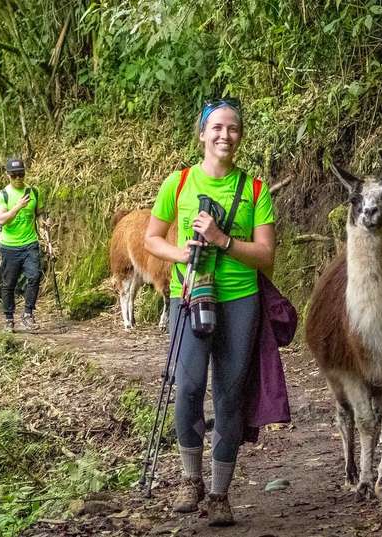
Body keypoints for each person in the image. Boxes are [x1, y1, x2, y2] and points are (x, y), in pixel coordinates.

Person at [144, 98, 275, 526]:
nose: (225, 135)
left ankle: (220, 493)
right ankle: (190, 480)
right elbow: (151, 240)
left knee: (230, 391)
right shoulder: (178, 184)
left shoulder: (255, 190)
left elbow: (266, 256)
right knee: (187, 386)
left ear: (240, 136)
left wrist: (221, 240)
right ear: (202, 134)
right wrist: (182, 252)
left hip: (239, 299)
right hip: (189, 295)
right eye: (216, 127)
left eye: (233, 128)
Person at [0, 157, 44, 332]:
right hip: (9, 246)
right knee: (9, 284)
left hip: (30, 243)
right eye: (14, 175)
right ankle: (9, 318)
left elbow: (39, 214)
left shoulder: (34, 192)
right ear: (8, 175)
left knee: (35, 276)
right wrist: (17, 207)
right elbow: (1, 219)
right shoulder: (2, 195)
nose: (18, 178)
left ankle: (28, 314)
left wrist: (45, 223)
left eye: (21, 174)